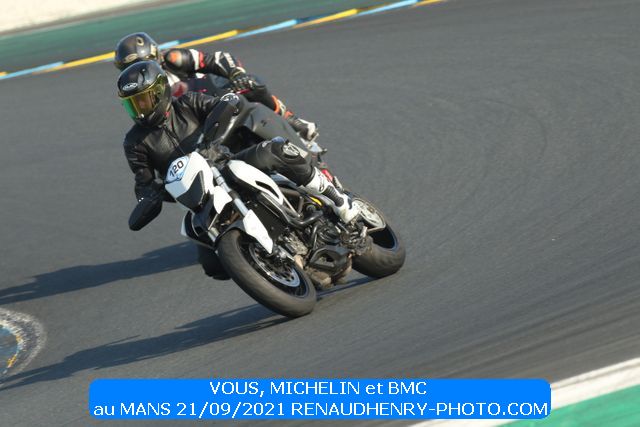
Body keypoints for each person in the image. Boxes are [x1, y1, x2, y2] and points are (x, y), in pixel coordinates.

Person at [118, 61, 359, 276]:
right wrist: (150, 198)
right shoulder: (134, 142)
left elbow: (225, 103)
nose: (139, 110)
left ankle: (336, 197)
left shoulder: (188, 103)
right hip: (199, 196)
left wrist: (216, 128)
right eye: (132, 104)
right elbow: (143, 182)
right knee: (212, 265)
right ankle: (271, 265)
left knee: (275, 149)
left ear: (160, 92)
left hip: (225, 165)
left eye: (143, 100)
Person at [114, 32, 318, 141]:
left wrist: (237, 74)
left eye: (141, 64)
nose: (138, 72)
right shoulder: (137, 94)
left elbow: (217, 58)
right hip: (194, 122)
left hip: (218, 97)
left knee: (252, 83)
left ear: (154, 55)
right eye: (128, 68)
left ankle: (292, 121)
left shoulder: (174, 58)